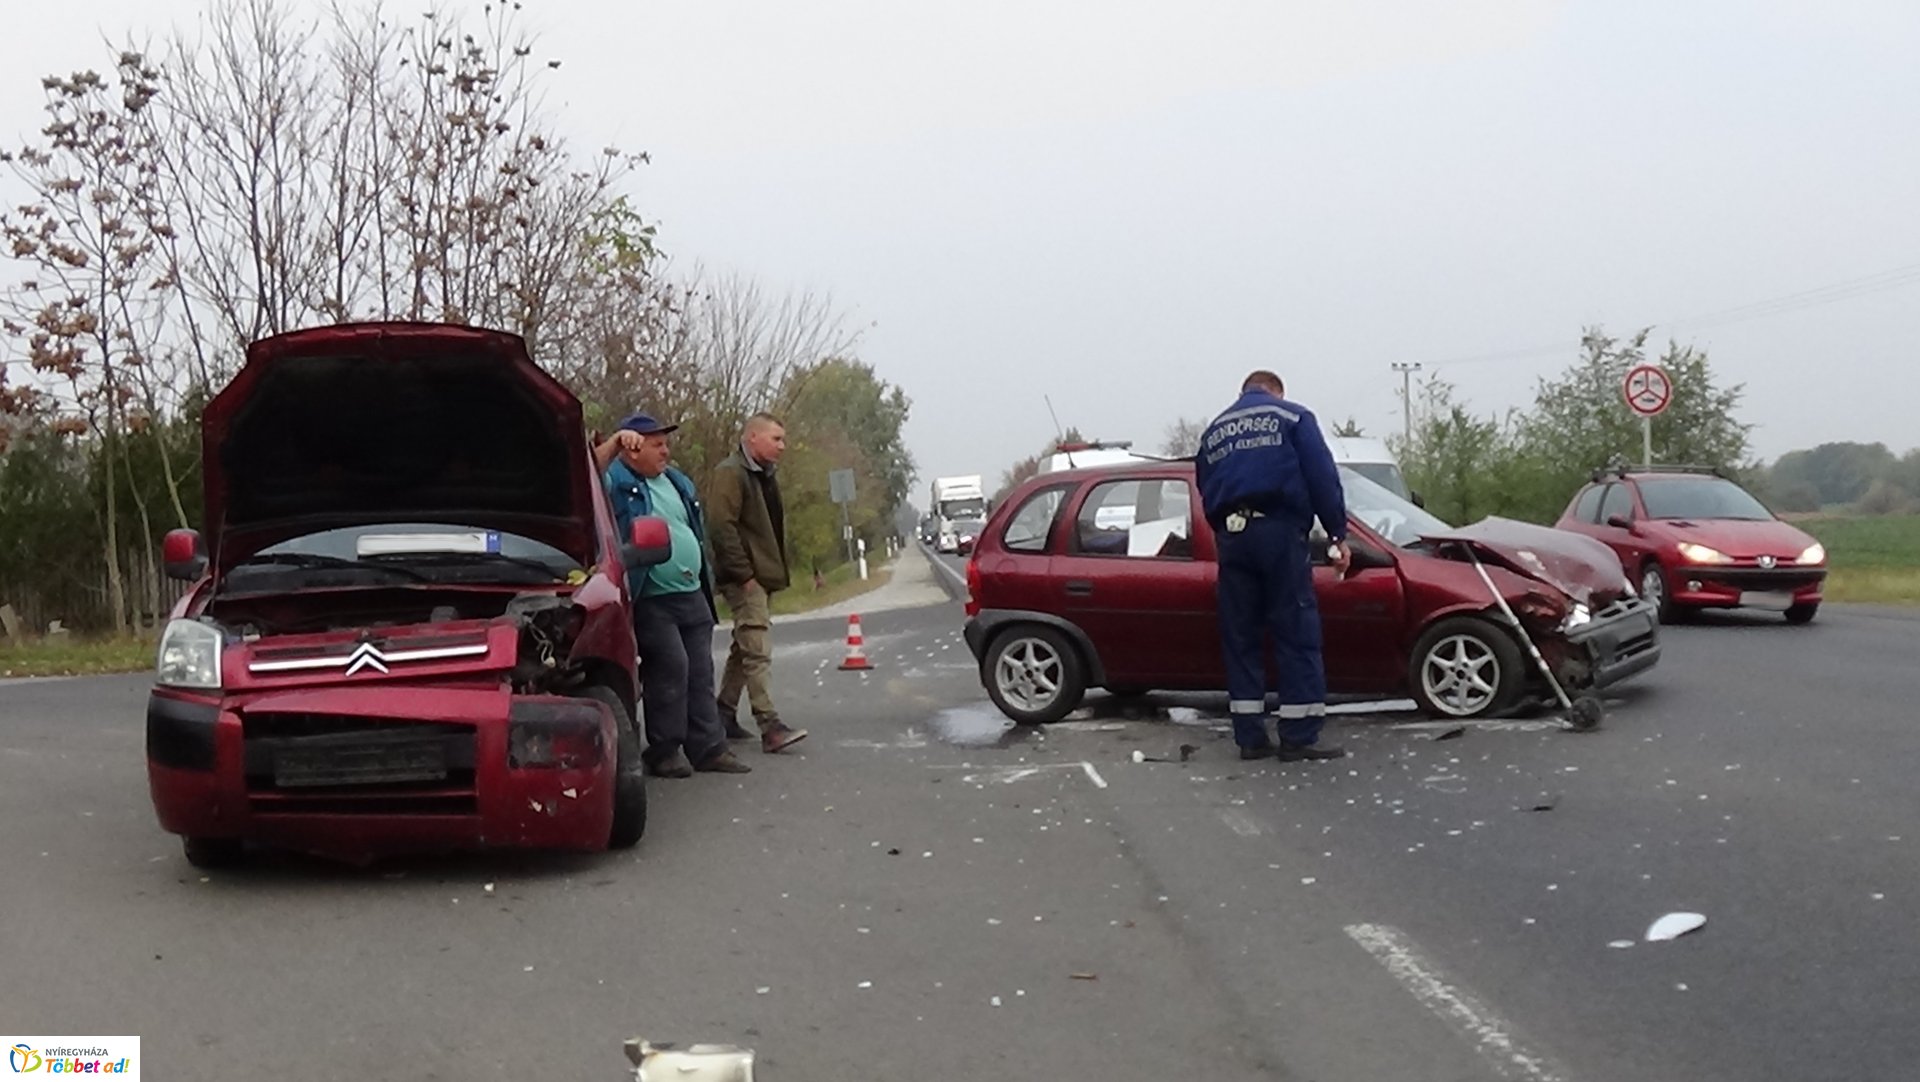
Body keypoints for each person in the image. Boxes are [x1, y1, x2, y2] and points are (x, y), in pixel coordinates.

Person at [1194, 370, 1351, 762]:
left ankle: (1250, 738)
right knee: (1295, 630)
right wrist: (1336, 533)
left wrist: (1225, 530)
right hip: (1278, 531)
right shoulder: (1293, 417)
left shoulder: (1215, 430)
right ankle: (1298, 735)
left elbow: (1203, 484)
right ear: (1276, 390)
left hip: (1232, 537)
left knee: (1240, 636)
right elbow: (1321, 477)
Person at [594, 412, 751, 778]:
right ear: (635, 450)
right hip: (650, 591)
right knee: (670, 667)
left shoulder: (677, 481)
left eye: (666, 443)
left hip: (691, 590)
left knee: (700, 670)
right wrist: (616, 443)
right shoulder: (617, 478)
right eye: (656, 444)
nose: (665, 451)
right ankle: (664, 751)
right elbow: (587, 475)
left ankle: (708, 748)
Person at [707, 412, 809, 754]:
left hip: (759, 575)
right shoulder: (731, 473)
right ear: (753, 438)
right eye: (776, 438)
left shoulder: (762, 474)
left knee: (745, 643)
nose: (783, 445)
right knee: (758, 649)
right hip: (745, 578)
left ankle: (723, 712)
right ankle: (770, 725)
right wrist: (745, 575)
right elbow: (722, 526)